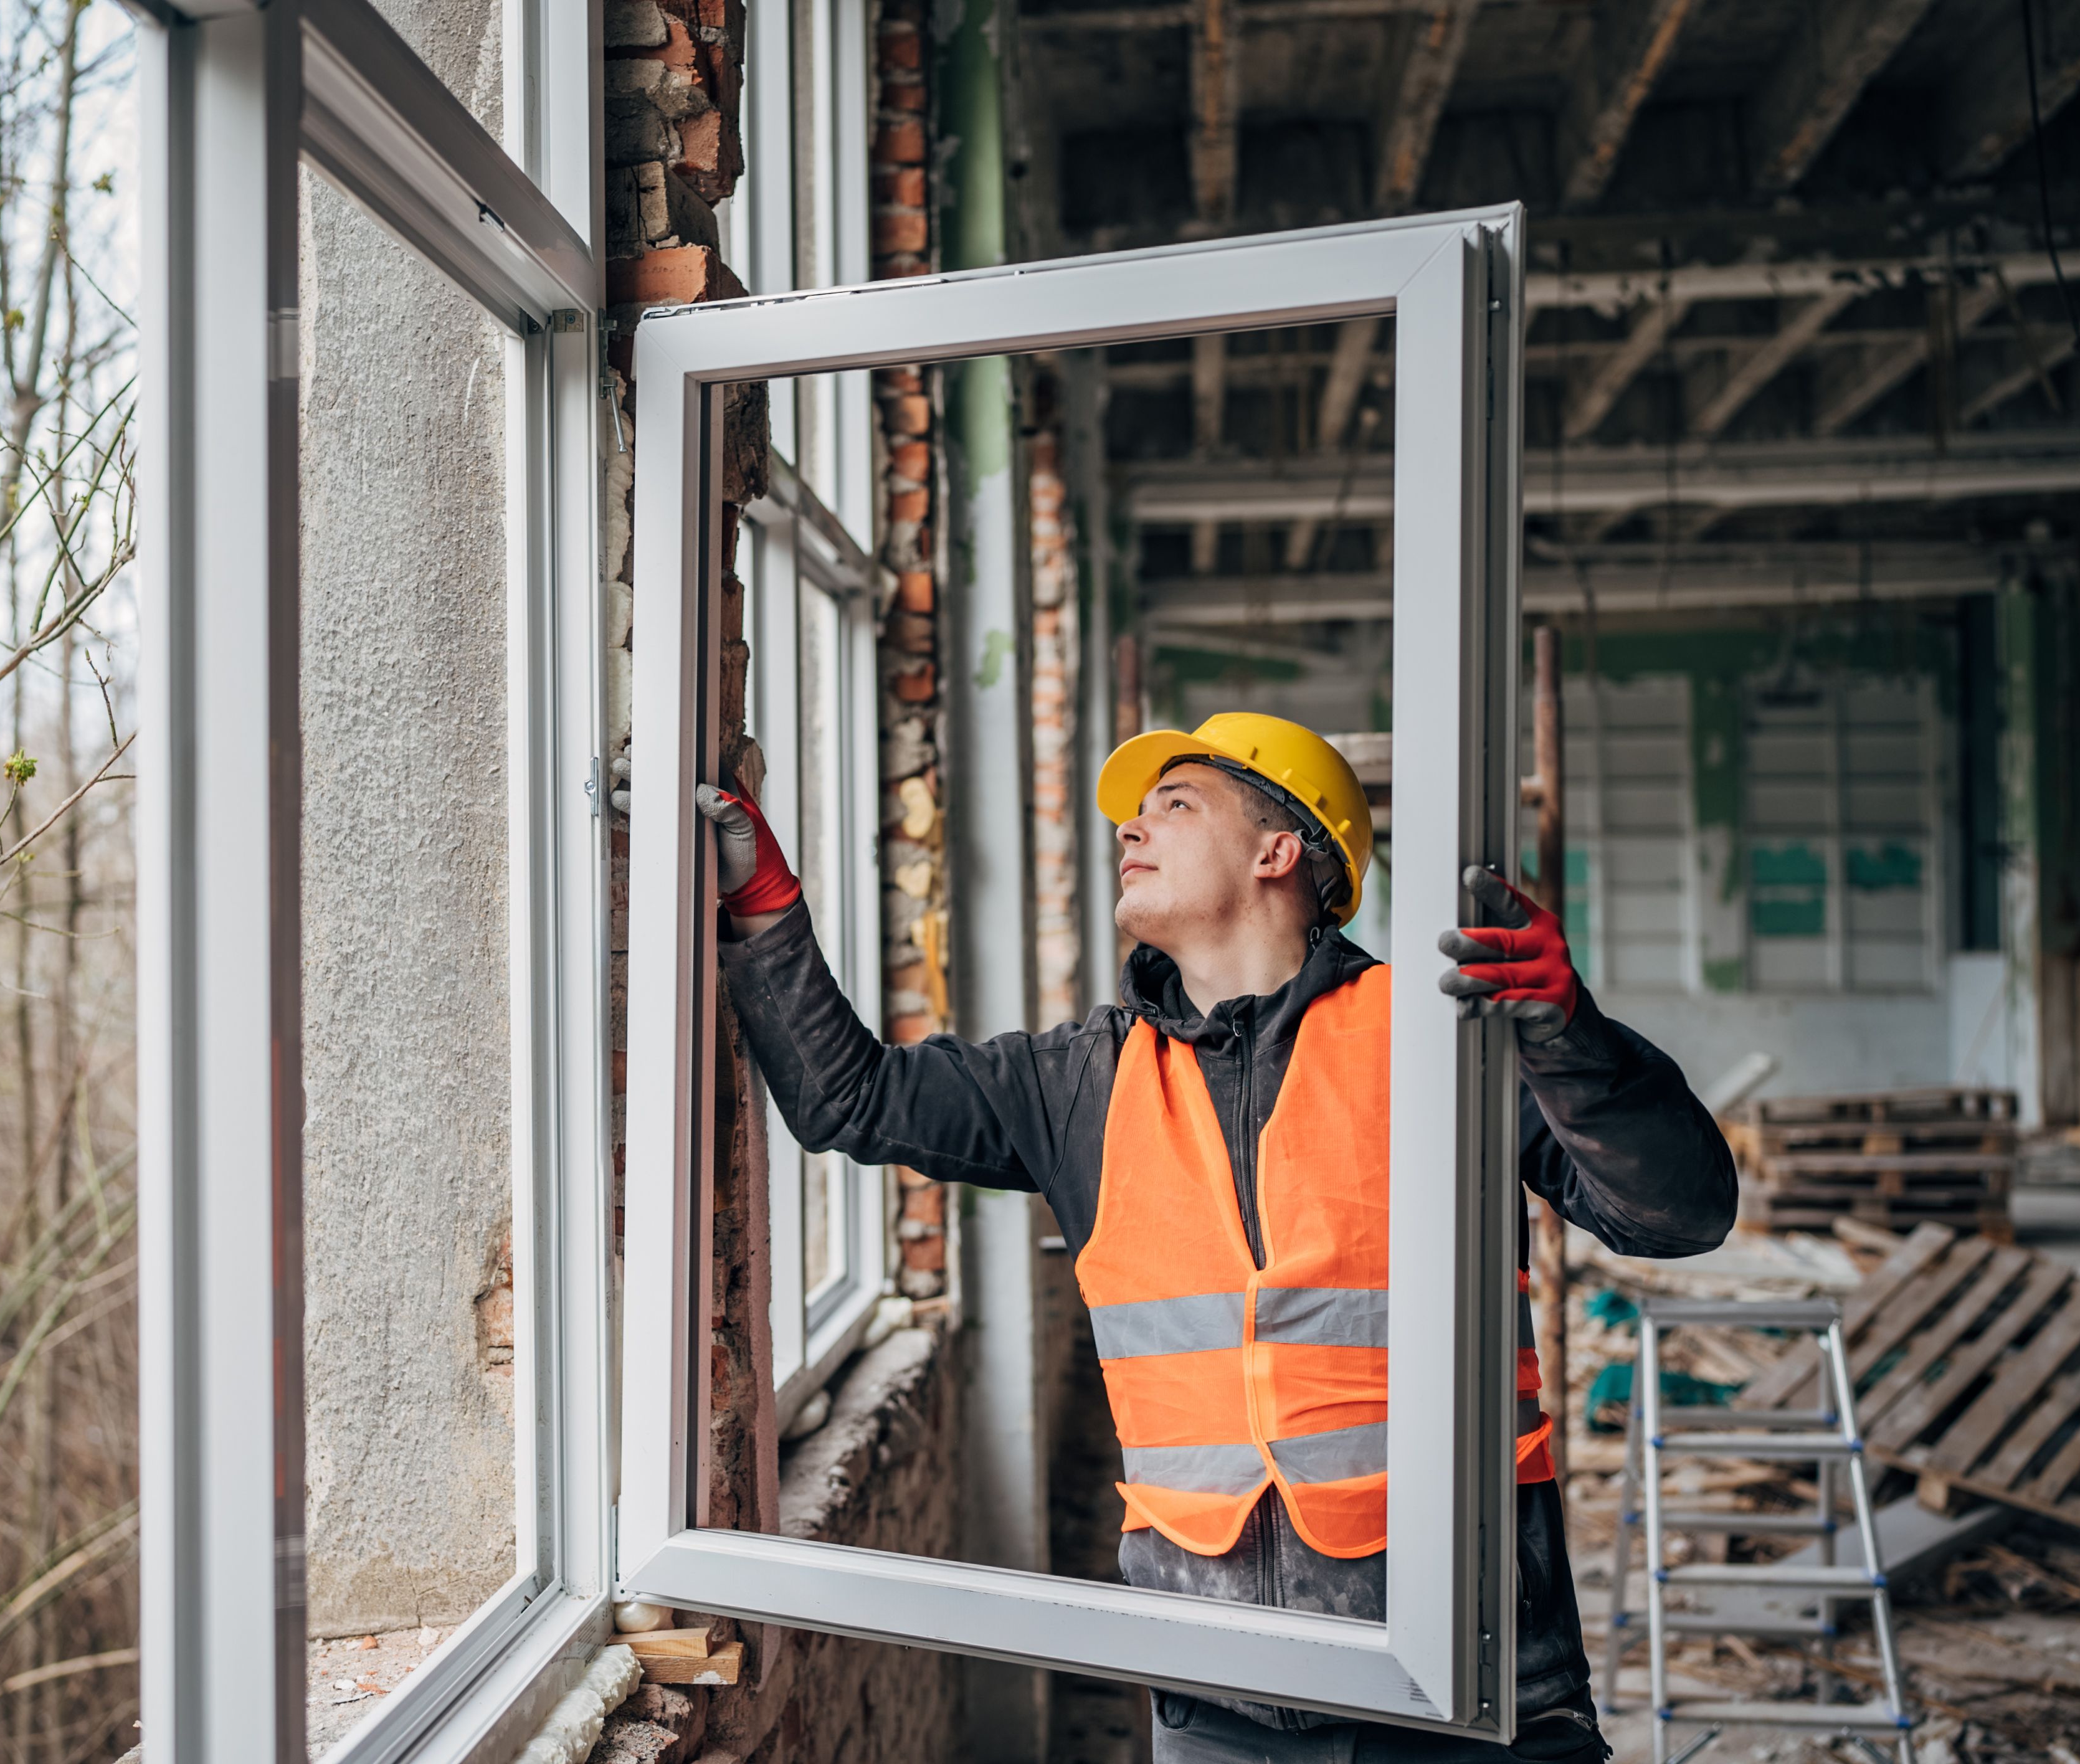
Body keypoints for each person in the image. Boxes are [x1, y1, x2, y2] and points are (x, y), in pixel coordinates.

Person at [687, 710, 1736, 1763]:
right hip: (1221, 1702)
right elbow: (848, 1100)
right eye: (1135, 816)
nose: (1132, 833)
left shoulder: (1436, 1043)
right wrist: (765, 905)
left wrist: (1574, 1043)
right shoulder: (1081, 1081)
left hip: (1471, 1693)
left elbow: (1678, 1214)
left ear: (1280, 852)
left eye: (1174, 806)